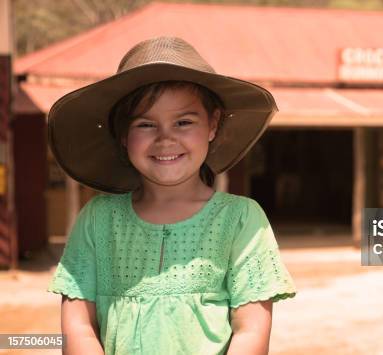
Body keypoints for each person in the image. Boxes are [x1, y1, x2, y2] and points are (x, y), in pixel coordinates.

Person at [46, 37, 296, 355]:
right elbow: (78, 326)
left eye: (183, 122)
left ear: (213, 125)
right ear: (123, 135)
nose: (166, 138)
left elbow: (250, 331)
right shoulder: (97, 220)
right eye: (146, 124)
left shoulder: (240, 219)